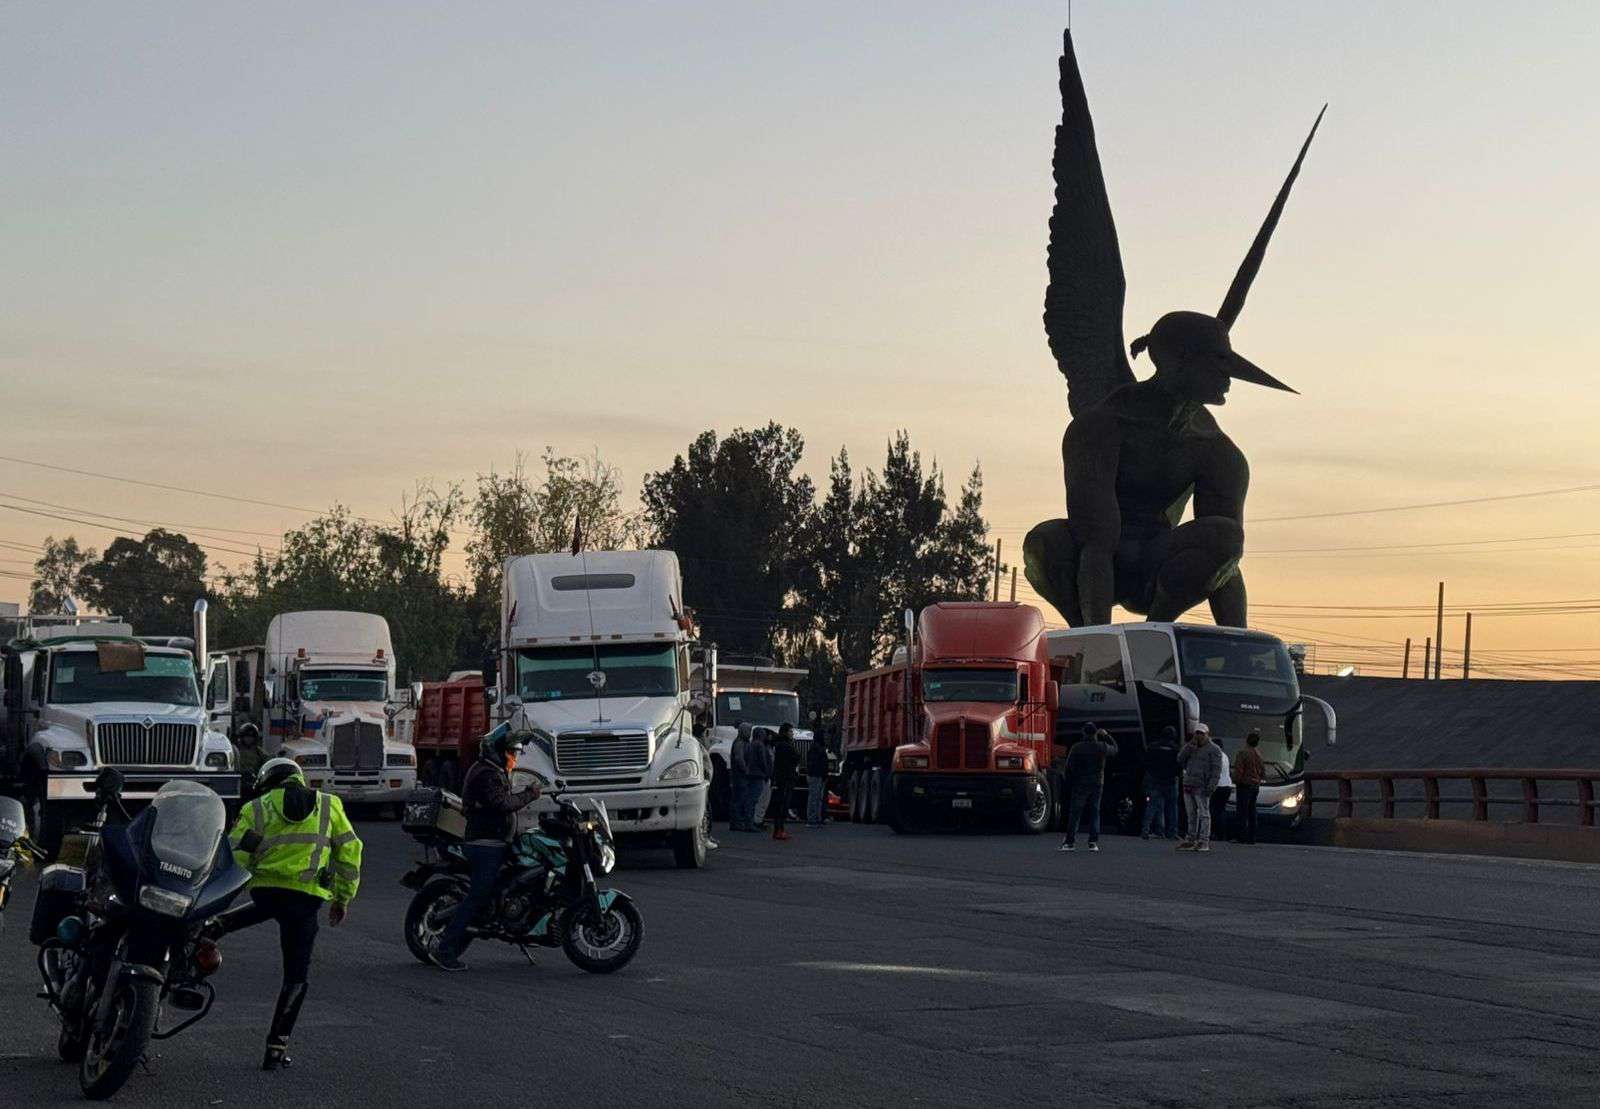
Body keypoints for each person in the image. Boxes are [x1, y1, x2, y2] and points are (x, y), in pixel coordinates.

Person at [213, 756, 362, 1070]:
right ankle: (276, 1049)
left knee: (251, 913)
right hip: (305, 899)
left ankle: (208, 931)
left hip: (266, 891)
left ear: (268, 781)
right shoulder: (329, 805)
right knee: (296, 974)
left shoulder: (257, 807)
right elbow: (350, 851)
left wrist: (215, 899)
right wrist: (342, 898)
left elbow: (236, 855)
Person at [431, 724, 540, 971]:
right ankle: (445, 949)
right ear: (498, 752)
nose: (515, 757)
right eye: (512, 752)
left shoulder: (491, 770)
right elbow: (500, 804)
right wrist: (529, 795)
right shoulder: (487, 774)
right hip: (485, 844)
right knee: (479, 895)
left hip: (494, 841)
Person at [1059, 722, 1118, 853]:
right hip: (1097, 783)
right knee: (1095, 811)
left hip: (1080, 783)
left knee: (1075, 812)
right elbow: (1115, 749)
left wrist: (1069, 782)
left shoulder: (1077, 747)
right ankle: (1093, 842)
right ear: (1095, 733)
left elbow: (1068, 767)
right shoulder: (1102, 746)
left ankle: (1070, 842)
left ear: (1084, 733)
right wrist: (1107, 736)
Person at [1176, 723, 1223, 852]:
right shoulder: (1191, 747)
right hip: (1189, 783)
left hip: (1202, 785)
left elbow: (1216, 770)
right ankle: (1190, 838)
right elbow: (1180, 759)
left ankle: (1203, 840)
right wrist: (1190, 746)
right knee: (1190, 814)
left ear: (1207, 734)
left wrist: (1211, 786)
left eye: (1201, 734)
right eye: (1197, 733)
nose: (1199, 736)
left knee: (1204, 814)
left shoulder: (1214, 749)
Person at [1141, 725, 1180, 840]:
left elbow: (1145, 762)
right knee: (1172, 808)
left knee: (1152, 806)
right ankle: (1172, 832)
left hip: (1155, 780)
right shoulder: (1175, 749)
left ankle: (1146, 830)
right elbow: (1179, 765)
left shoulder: (1153, 747)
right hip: (1170, 781)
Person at [1233, 730, 1265, 844]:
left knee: (1242, 811)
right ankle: (1252, 837)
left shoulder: (1242, 753)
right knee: (1252, 810)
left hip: (1244, 785)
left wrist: (1236, 781)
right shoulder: (1258, 754)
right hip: (1255, 785)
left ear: (1247, 740)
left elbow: (1239, 771)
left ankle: (1241, 836)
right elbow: (1262, 770)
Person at [771, 723, 800, 841]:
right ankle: (779, 829)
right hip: (786, 777)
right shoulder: (785, 746)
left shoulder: (780, 745)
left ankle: (779, 829)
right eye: (790, 732)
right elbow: (796, 757)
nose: (792, 734)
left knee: (782, 803)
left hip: (783, 777)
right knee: (783, 803)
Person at [746, 727, 775, 832]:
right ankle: (756, 821)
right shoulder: (760, 746)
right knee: (760, 799)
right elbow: (763, 761)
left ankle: (752, 820)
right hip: (760, 775)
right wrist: (767, 772)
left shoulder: (750, 744)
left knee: (754, 799)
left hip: (752, 774)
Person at [728, 721, 752, 832]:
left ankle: (737, 821)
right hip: (740, 775)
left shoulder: (741, 742)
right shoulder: (739, 743)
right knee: (739, 799)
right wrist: (746, 770)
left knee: (739, 798)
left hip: (740, 775)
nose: (750, 733)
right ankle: (736, 822)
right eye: (748, 731)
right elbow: (739, 758)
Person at [232, 722, 267, 797]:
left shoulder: (259, 752)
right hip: (239, 782)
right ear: (242, 737)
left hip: (253, 782)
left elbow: (268, 761)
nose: (249, 739)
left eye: (251, 737)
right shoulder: (235, 750)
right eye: (247, 737)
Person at [804, 729, 830, 827]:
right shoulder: (817, 749)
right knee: (815, 798)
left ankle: (814, 818)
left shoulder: (815, 748)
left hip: (816, 775)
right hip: (816, 776)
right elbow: (819, 764)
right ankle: (812, 819)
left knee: (816, 798)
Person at [1211, 738, 1234, 842]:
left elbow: (1214, 771)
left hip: (1218, 786)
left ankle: (1215, 832)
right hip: (1227, 785)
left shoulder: (1216, 755)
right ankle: (1221, 833)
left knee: (1214, 810)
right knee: (1221, 810)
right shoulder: (1225, 756)